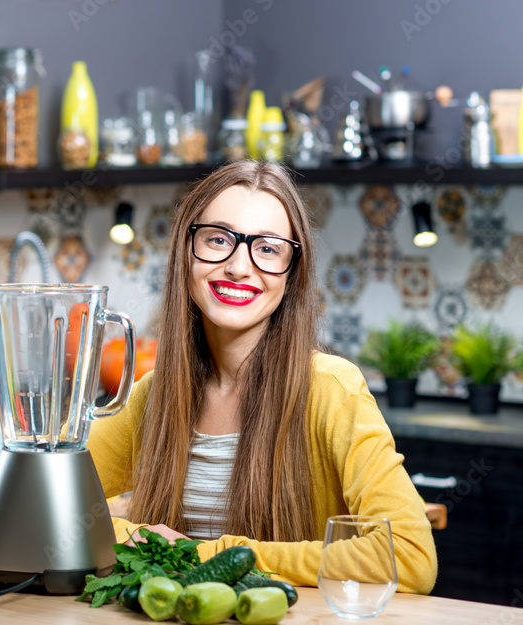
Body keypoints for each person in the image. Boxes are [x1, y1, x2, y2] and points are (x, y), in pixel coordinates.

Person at [88, 160, 437, 594]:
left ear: (292, 275)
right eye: (218, 240)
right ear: (185, 251)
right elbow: (47, 514)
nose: (239, 266)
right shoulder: (151, 396)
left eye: (268, 249)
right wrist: (126, 527)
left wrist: (212, 554)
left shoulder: (332, 389)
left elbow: (409, 556)